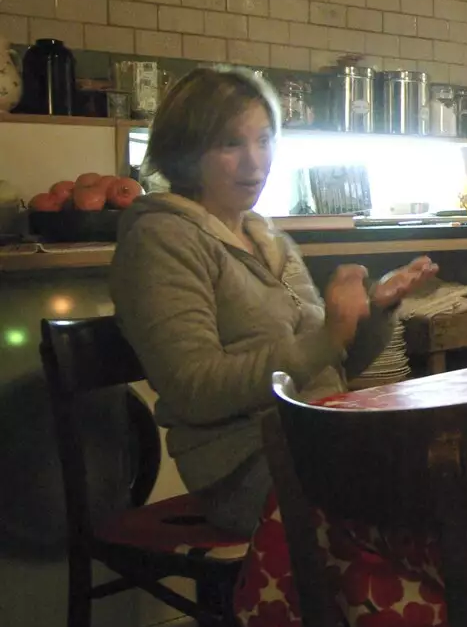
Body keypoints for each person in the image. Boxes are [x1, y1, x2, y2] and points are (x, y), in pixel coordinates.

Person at [111, 68, 437, 535]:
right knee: (438, 491)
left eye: (264, 141)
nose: (255, 163)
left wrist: (372, 311)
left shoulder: (265, 236)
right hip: (245, 468)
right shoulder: (160, 239)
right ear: (184, 151)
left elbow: (334, 365)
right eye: (230, 144)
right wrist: (327, 336)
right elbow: (192, 387)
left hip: (319, 439)